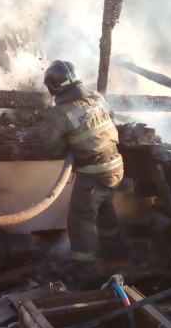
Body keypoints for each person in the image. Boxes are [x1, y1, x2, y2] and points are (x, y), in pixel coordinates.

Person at [39, 60, 125, 290]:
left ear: (52, 88)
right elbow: (110, 118)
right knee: (105, 210)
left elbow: (52, 149)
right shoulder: (97, 97)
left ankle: (84, 276)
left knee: (80, 223)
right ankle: (115, 256)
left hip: (93, 175)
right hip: (116, 166)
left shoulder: (59, 113)